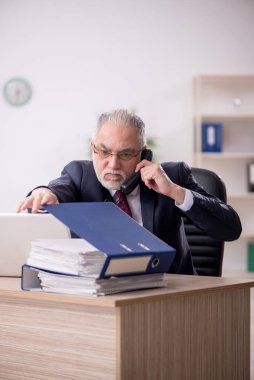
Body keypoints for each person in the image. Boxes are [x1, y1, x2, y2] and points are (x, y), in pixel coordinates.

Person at [17, 109, 242, 274]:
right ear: (92, 148)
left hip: (170, 293)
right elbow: (58, 189)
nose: (112, 164)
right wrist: (43, 191)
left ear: (143, 155)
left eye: (125, 154)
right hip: (106, 296)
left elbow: (230, 229)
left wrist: (174, 191)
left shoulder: (173, 176)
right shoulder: (79, 174)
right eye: (103, 152)